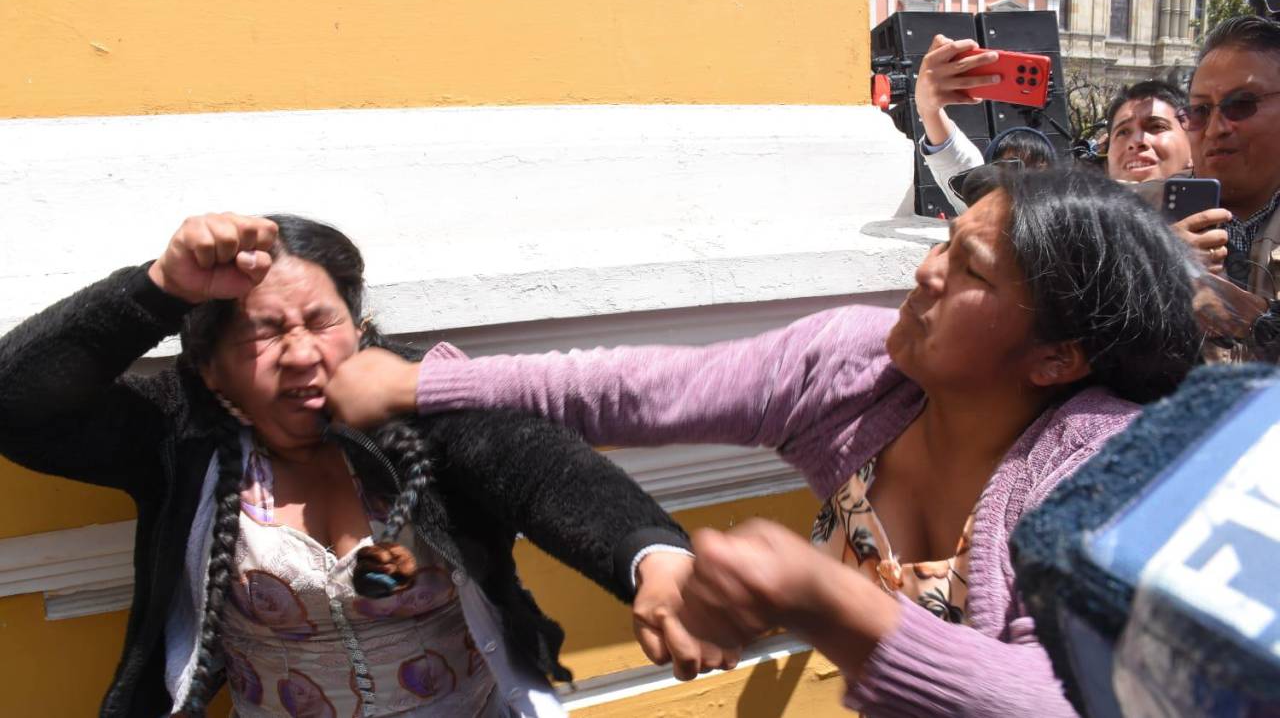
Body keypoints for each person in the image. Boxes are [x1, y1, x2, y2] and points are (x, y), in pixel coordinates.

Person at [325, 167, 1203, 716]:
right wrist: (425, 383)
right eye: (944, 242)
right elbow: (643, 386)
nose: (926, 271)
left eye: (971, 270)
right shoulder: (858, 367)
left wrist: (821, 593)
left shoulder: (1103, 470)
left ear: (1057, 356)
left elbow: (1074, 701)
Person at [0, 214, 727, 717]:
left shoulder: (419, 396)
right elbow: (16, 401)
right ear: (212, 372)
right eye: (264, 331)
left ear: (361, 326)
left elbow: (543, 468)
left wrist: (651, 556)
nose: (304, 353)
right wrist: (159, 287)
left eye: (322, 321)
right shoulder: (179, 431)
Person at [1156, 16, 1280, 296]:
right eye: (1200, 111)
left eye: (1241, 105)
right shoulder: (1132, 218)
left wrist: (1261, 325)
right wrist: (1151, 276)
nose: (1215, 129)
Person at [913, 34, 1057, 213]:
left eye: (1037, 171)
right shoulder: (983, 211)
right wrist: (928, 110)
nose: (1022, 183)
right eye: (1011, 168)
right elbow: (957, 161)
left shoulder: (1073, 223)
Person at [1103, 80, 1193, 184]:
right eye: (1122, 132)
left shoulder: (1211, 200)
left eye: (1157, 126)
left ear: (1193, 148)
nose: (1136, 142)